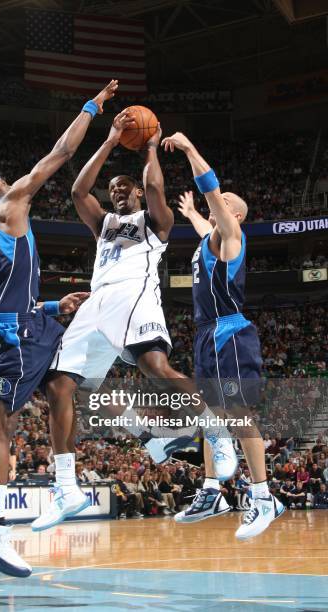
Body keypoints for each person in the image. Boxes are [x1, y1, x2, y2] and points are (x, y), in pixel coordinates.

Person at [31, 113, 235, 532]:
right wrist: (108, 141)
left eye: (124, 187)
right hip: (97, 304)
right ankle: (68, 488)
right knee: (60, 386)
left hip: (135, 295)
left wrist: (147, 147)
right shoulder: (104, 223)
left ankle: (216, 430)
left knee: (155, 368)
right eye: (113, 190)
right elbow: (77, 189)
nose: (117, 192)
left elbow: (158, 186)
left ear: (139, 193)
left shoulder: (154, 224)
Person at [0, 80, 118, 578]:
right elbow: (58, 154)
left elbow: (14, 291)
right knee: (2, 423)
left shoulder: (1, 229)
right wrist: (91, 109)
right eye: (2, 180)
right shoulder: (8, 207)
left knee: (62, 383)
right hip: (13, 333)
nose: (12, 180)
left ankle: (66, 484)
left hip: (30, 322)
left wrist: (55, 303)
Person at [162, 132, 284, 539]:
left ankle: (263, 496)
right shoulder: (210, 238)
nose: (219, 200)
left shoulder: (232, 236)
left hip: (230, 332)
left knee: (238, 415)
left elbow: (211, 188)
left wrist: (190, 148)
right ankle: (213, 491)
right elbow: (202, 223)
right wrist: (192, 211)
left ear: (232, 213)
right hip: (207, 335)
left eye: (224, 200)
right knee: (211, 419)